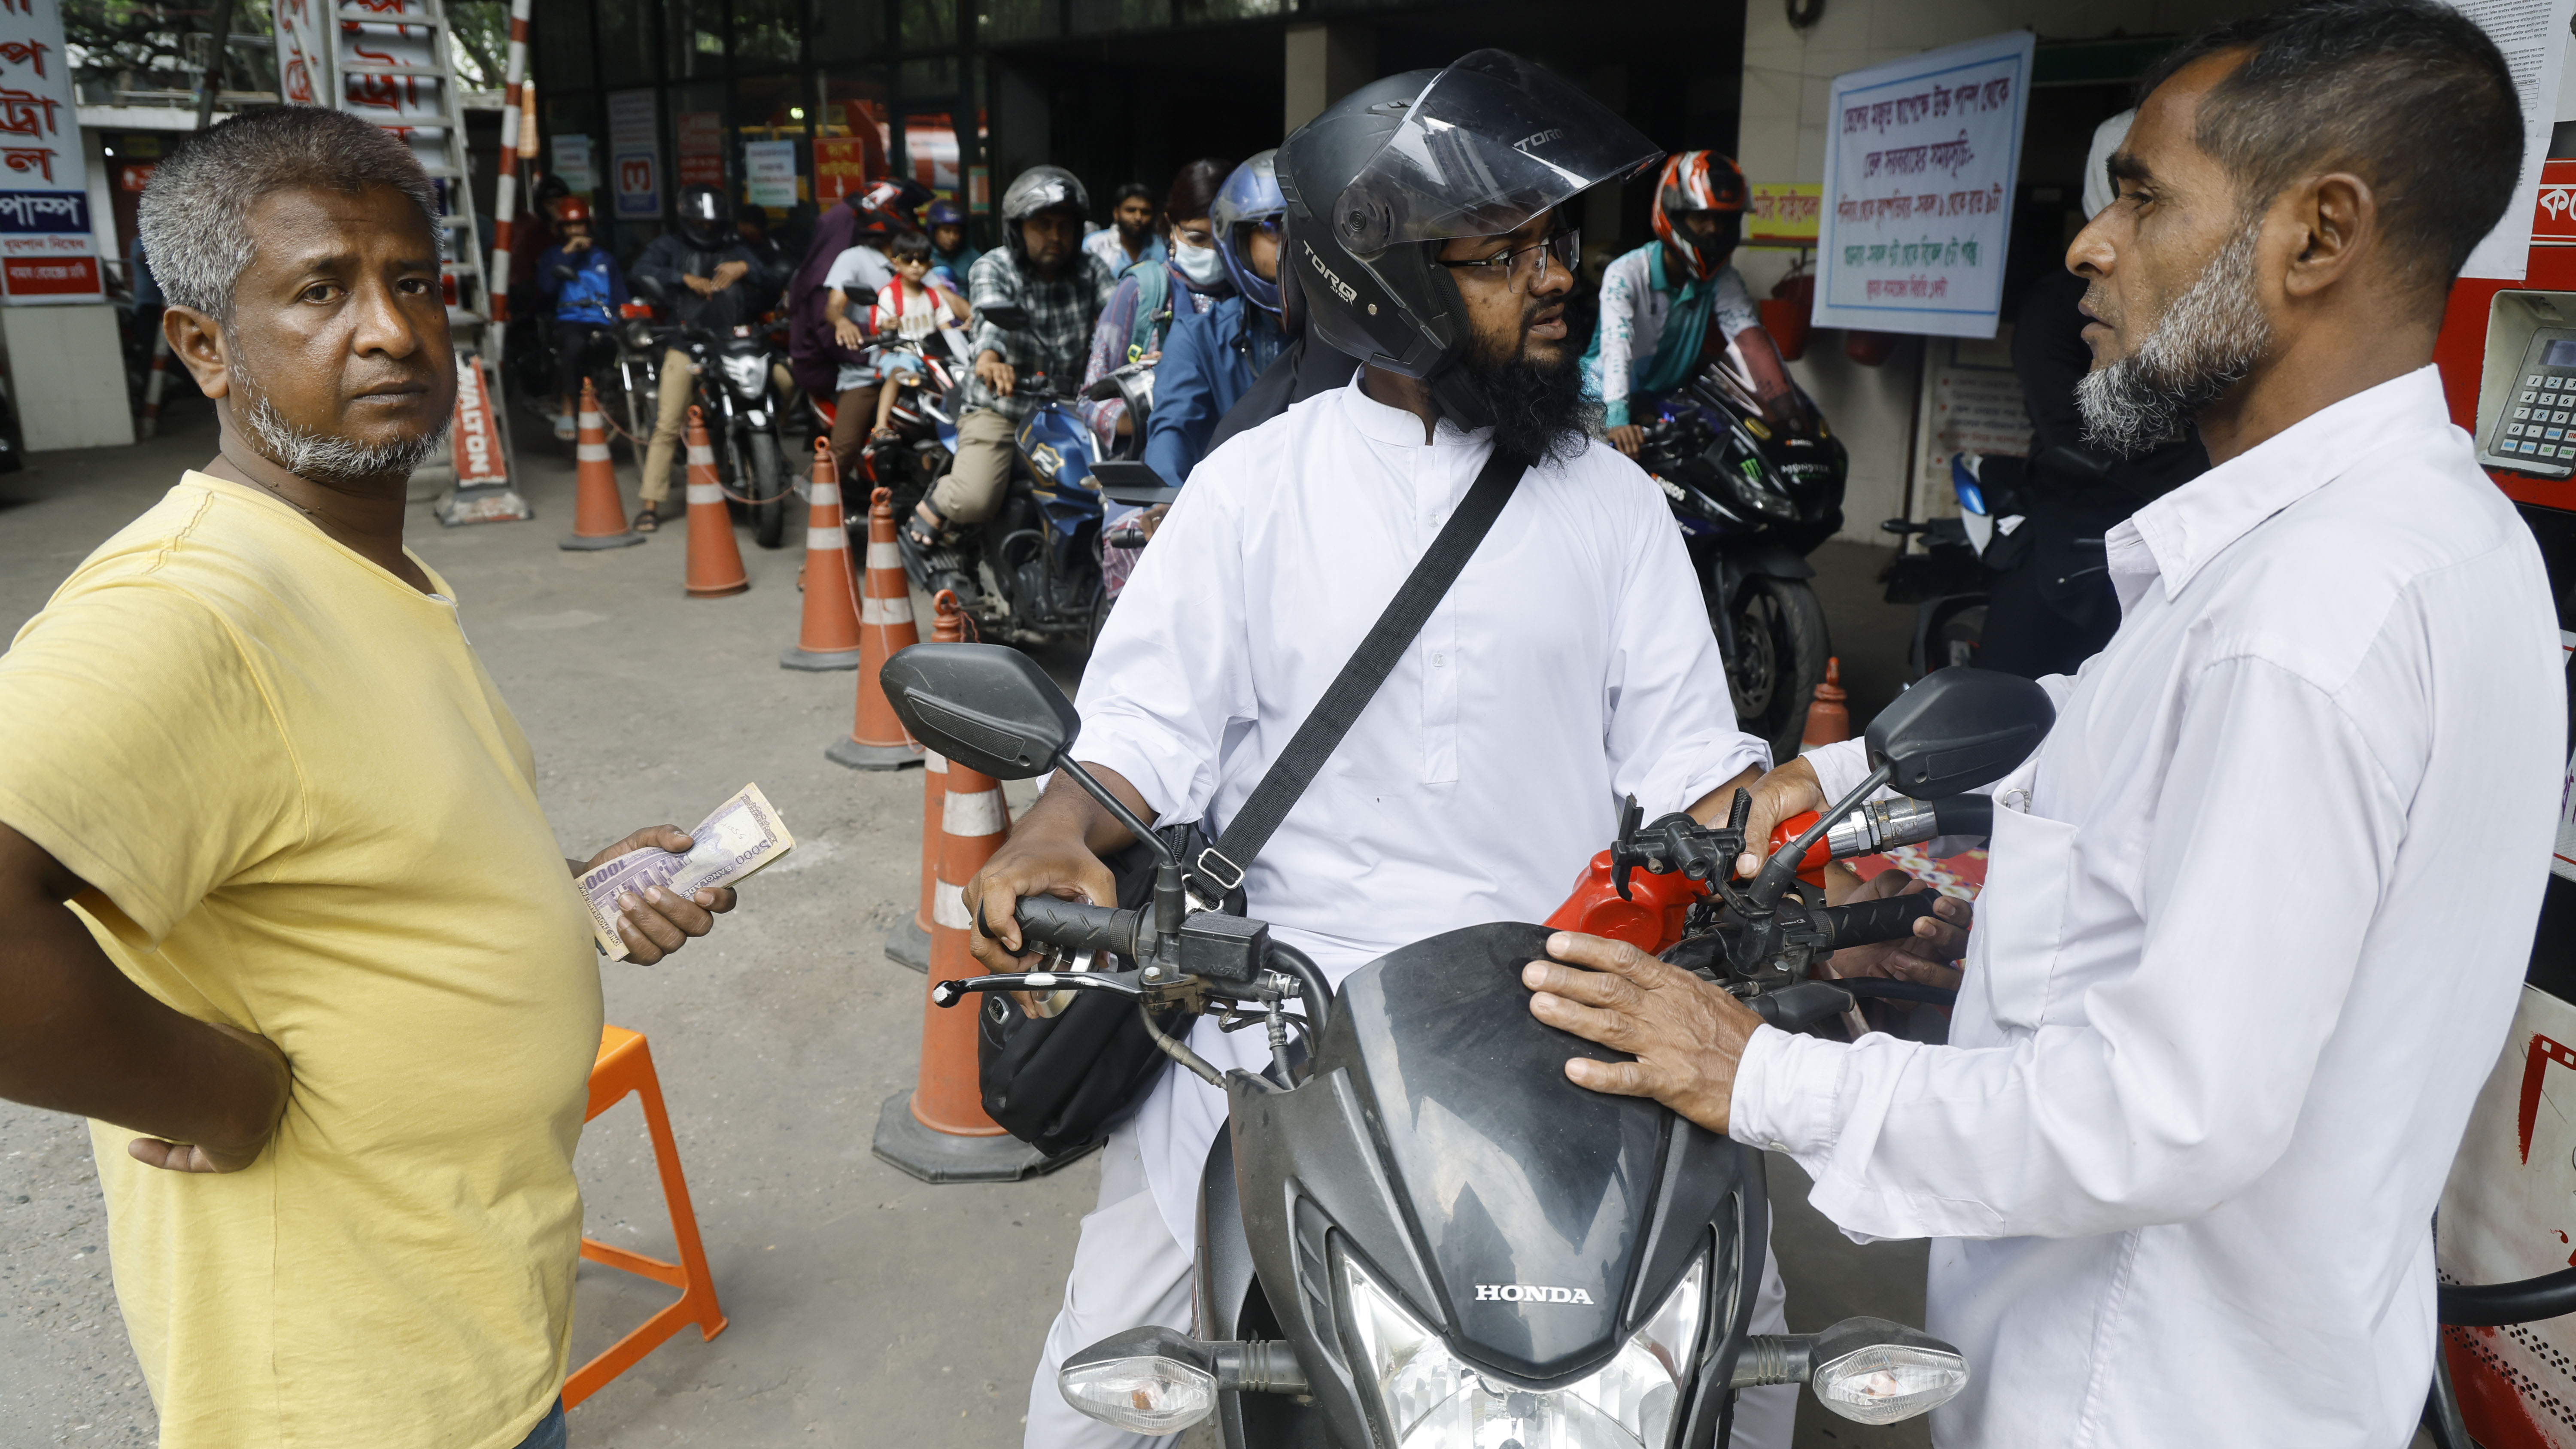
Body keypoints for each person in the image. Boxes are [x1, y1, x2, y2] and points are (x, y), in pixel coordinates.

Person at [1521, 6, 2562, 1447]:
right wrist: (1840, 788)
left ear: (2319, 234)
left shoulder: (2305, 619)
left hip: (2140, 1394)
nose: (2087, 244)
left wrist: (1758, 1071)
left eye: (2141, 196)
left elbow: (2171, 1108)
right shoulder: (2439, 542)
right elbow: (2111, 741)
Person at [963, 54, 1806, 1449]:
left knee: (1747, 1346)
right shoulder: (1254, 493)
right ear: (1385, 279)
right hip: (1277, 1028)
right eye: (1502, 253)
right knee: (1090, 1395)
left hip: (1563, 1023)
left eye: (1556, 246)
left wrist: (1785, 834)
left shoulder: (1616, 508)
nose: (1552, 279)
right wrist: (1056, 831)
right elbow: (1143, 726)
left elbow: (1689, 760)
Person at [0, 107, 733, 1449]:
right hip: (342, 1395)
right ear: (205, 347)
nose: (392, 332)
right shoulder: (190, 608)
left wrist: (561, 887)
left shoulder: (358, 572)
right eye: (320, 292)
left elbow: (360, 850)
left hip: (473, 1336)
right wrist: (218, 1093)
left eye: (411, 284)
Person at [1981, 109, 2208, 678]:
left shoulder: (2196, 303)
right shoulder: (2059, 306)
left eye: (2151, 197)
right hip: (2078, 530)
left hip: (2182, 536)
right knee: (2005, 701)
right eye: (2125, 194)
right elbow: (2069, 425)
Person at [911, 165, 1117, 556]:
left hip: (1070, 409)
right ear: (1018, 228)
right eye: (1043, 224)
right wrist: (990, 359)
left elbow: (1122, 314)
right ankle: (937, 500)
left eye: (1065, 226)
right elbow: (990, 317)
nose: (1056, 236)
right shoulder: (995, 266)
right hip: (1003, 406)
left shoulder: (1091, 270)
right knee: (975, 499)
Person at [1581, 151, 1797, 453]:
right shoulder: (1626, 273)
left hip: (1659, 403)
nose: (1714, 229)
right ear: (1675, 215)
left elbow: (1750, 339)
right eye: (1701, 217)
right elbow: (1618, 344)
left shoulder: (1723, 279)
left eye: (1722, 219)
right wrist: (1617, 419)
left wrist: (1788, 416)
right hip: (1600, 402)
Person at [632, 183, 790, 530]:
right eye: (701, 223)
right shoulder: (668, 247)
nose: (708, 229)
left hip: (737, 344)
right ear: (687, 219)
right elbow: (641, 271)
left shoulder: (738, 250)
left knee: (786, 381)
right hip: (687, 344)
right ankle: (650, 503)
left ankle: (771, 452)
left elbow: (772, 276)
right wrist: (683, 278)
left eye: (713, 224)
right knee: (669, 420)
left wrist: (744, 270)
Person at [1139, 150, 1289, 486]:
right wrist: (1166, 503)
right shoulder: (1199, 337)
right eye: (1274, 227)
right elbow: (1173, 432)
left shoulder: (1358, 330)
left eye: (1304, 226)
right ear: (1238, 239)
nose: (1292, 245)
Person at [1075, 156, 1234, 456]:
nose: (1212, 252)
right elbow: (1090, 401)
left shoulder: (1257, 297)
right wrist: (1151, 403)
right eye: (1198, 238)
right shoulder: (1141, 291)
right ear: (1172, 228)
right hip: (1157, 479)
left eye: (1223, 239)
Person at [784, 179, 918, 425]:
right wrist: (850, 325)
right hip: (856, 369)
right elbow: (832, 314)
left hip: (907, 361)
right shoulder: (847, 262)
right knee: (845, 447)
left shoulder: (907, 263)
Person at [834, 228, 967, 468]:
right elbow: (879, 327)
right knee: (897, 373)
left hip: (931, 358)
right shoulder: (888, 295)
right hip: (902, 355)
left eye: (922, 260)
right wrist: (887, 325)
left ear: (930, 264)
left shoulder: (934, 297)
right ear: (896, 263)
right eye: (909, 260)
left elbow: (946, 328)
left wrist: (963, 336)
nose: (916, 266)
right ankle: (882, 425)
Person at [532, 196, 628, 442]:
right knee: (573, 347)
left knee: (621, 351)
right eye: (569, 226)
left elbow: (620, 297)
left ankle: (613, 405)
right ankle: (567, 406)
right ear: (561, 229)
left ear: (589, 226)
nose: (575, 231)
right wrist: (566, 254)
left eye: (580, 225)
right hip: (572, 319)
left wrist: (624, 318)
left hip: (603, 320)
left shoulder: (605, 259)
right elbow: (546, 287)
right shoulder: (553, 256)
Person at [1082, 180, 1163, 274]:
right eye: (1131, 211)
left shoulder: (1163, 247)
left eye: (1145, 212)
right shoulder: (1094, 245)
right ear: (1116, 213)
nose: (1138, 217)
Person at [926, 196, 979, 283]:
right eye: (947, 231)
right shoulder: (923, 255)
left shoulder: (973, 258)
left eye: (957, 232)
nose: (952, 237)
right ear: (934, 230)